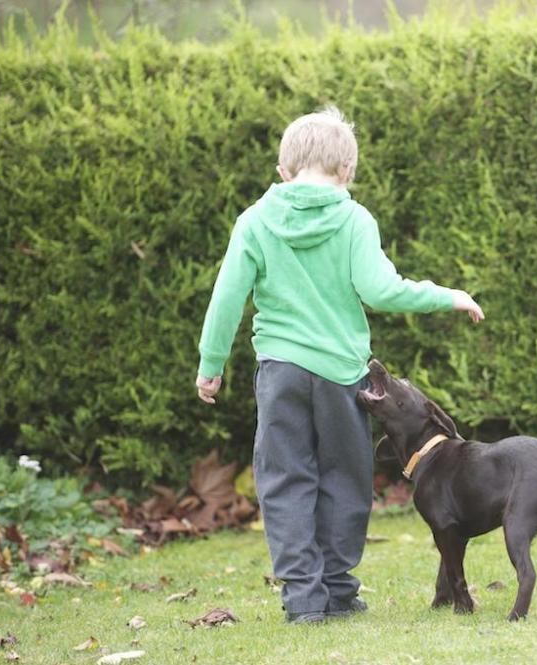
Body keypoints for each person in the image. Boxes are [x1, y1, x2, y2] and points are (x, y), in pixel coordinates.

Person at [194, 106, 484, 624]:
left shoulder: (255, 220)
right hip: (341, 375)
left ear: (283, 171)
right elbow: (380, 289)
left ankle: (305, 600)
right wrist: (448, 295)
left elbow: (227, 296)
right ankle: (338, 589)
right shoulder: (353, 218)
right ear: (346, 172)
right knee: (345, 480)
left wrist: (211, 362)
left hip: (280, 372)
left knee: (285, 481)